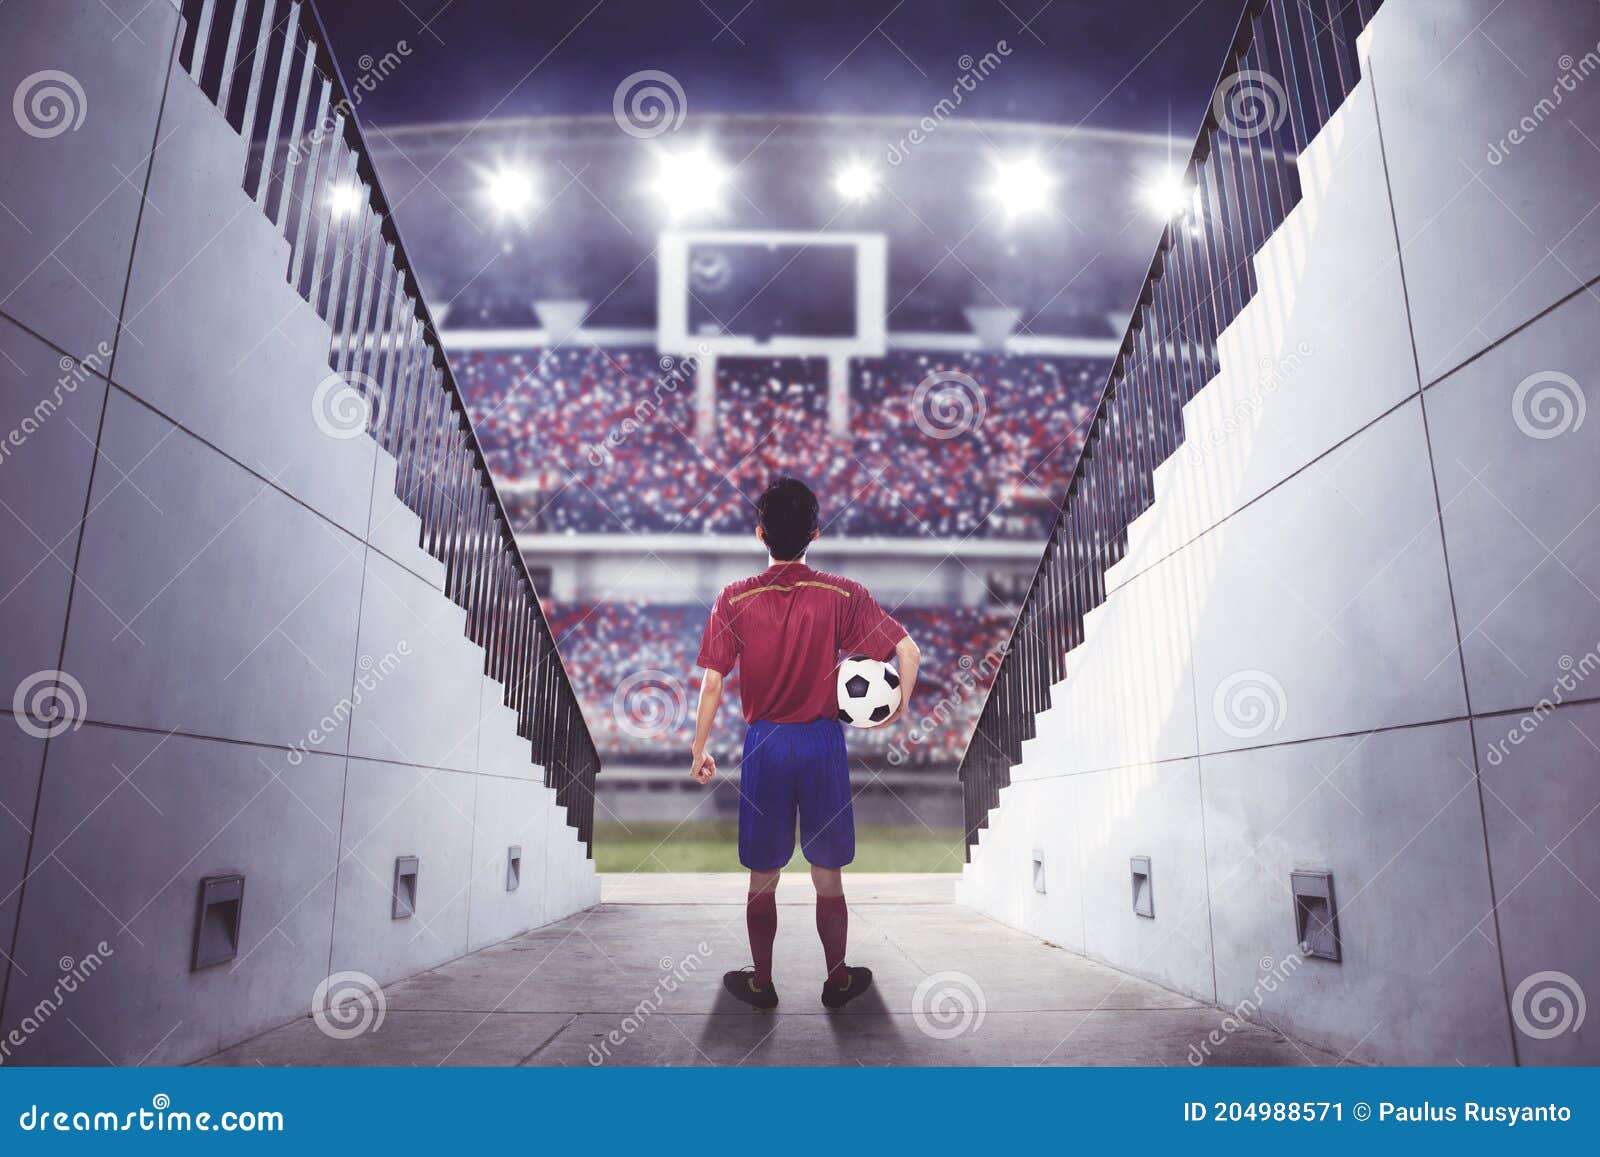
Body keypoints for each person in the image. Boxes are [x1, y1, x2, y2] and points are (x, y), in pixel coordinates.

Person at [690, 477, 920, 1011]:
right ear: (814, 534)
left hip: (764, 743)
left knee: (763, 875)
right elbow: (907, 651)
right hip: (822, 743)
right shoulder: (842, 593)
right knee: (827, 873)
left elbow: (712, 683)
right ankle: (836, 981)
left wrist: (699, 749)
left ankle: (761, 983)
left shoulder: (733, 596)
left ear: (759, 532)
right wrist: (896, 706)